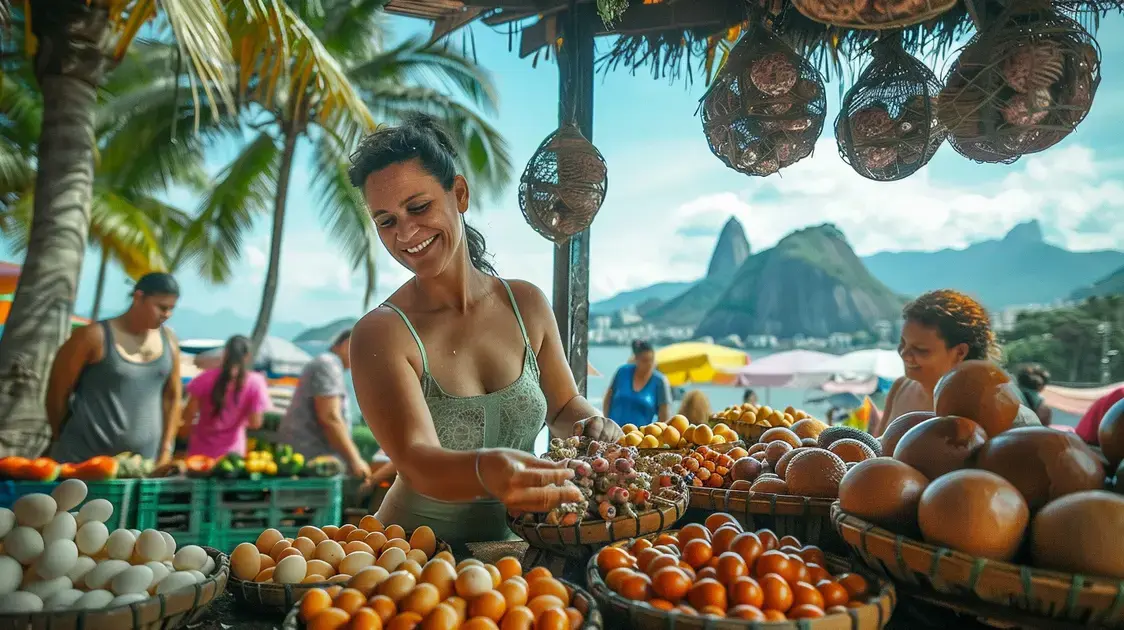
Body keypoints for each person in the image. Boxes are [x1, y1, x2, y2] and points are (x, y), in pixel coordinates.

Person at [345, 114, 621, 546]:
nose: (406, 233)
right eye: (386, 221)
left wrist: (592, 424)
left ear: (459, 194)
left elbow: (563, 405)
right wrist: (485, 471)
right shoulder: (381, 333)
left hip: (518, 553)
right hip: (410, 557)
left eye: (418, 208)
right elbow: (417, 462)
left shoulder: (525, 304)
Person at [47, 272, 182, 463]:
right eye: (161, 307)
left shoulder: (169, 342)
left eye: (171, 309)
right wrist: (61, 436)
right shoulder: (92, 337)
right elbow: (57, 394)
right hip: (82, 464)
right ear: (138, 297)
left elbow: (172, 397)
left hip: (142, 469)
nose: (167, 315)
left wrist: (166, 448)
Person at [869, 289, 1040, 437]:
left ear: (960, 352)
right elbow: (877, 453)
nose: (904, 354)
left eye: (920, 349)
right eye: (903, 343)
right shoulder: (900, 388)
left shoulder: (1004, 410)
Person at [279, 329, 369, 478]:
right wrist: (355, 460)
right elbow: (330, 417)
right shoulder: (328, 365)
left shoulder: (330, 365)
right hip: (310, 460)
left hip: (312, 459)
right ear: (347, 345)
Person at [179, 335, 271, 458]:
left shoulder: (204, 378)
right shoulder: (256, 383)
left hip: (199, 453)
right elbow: (255, 423)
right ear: (247, 356)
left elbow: (188, 415)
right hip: (233, 455)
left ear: (225, 353)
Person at [603, 340, 672, 428]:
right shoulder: (622, 372)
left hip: (640, 437)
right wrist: (606, 420)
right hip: (613, 431)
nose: (649, 365)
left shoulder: (660, 381)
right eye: (645, 361)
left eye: (651, 360)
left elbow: (664, 416)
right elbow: (608, 397)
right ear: (636, 359)